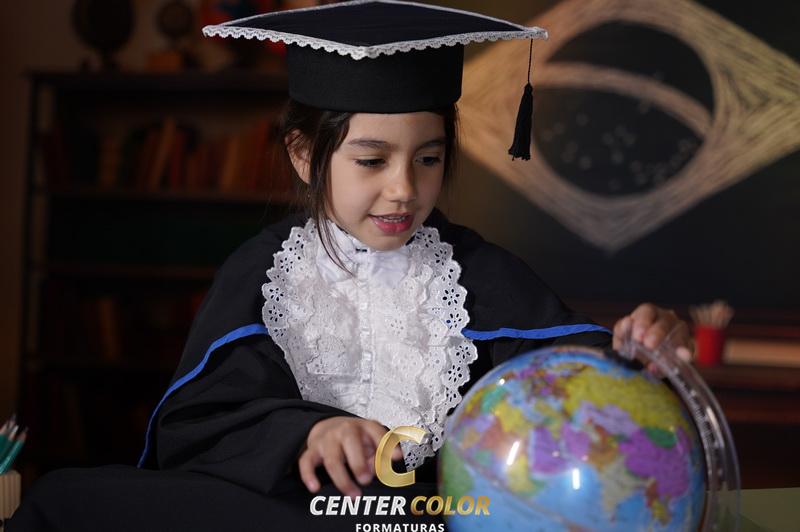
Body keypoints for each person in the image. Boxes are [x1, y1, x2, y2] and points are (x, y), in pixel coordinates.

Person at [8, 2, 692, 530]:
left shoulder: (477, 274)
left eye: (428, 159)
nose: (404, 189)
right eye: (371, 160)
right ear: (305, 155)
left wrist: (641, 349)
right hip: (288, 505)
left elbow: (569, 378)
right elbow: (203, 421)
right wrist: (310, 430)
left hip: (424, 513)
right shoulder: (265, 273)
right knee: (66, 499)